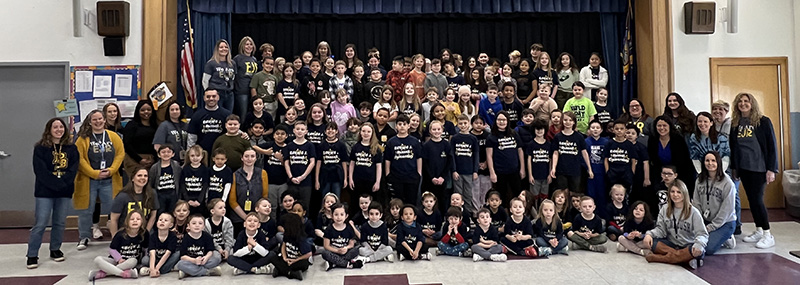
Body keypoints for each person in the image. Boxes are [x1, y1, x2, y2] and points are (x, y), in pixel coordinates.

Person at [27, 118, 79, 269]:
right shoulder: (40, 148)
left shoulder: (71, 148)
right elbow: (40, 171)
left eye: (61, 127)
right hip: (45, 191)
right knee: (41, 223)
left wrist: (62, 184)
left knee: (60, 222)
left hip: (65, 190)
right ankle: (32, 254)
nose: (58, 130)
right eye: (55, 127)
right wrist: (55, 184)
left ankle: (55, 249)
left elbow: (73, 169)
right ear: (49, 129)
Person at [729, 93, 778, 248]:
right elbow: (734, 148)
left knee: (757, 200)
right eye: (740, 102)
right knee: (751, 200)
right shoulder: (736, 123)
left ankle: (767, 234)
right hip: (744, 168)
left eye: (746, 101)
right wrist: (735, 168)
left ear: (752, 104)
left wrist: (771, 169)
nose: (743, 104)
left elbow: (772, 146)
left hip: (760, 169)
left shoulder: (763, 122)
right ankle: (758, 230)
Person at [74, 110, 125, 251]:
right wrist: (95, 173)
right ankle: (84, 237)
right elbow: (80, 160)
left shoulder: (113, 136)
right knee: (86, 210)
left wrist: (111, 170)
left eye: (100, 119)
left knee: (114, 208)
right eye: (94, 119)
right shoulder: (82, 139)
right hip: (89, 180)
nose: (98, 122)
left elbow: (120, 154)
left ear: (104, 120)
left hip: (109, 179)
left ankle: (118, 236)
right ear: (90, 122)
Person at [643, 180, 708, 269]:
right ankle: (684, 259)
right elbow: (661, 230)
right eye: (672, 191)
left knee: (698, 251)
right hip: (672, 244)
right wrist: (649, 234)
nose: (675, 195)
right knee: (653, 243)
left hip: (687, 245)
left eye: (678, 192)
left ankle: (660, 258)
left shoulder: (694, 212)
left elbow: (702, 233)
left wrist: (699, 244)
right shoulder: (664, 209)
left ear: (684, 193)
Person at [694, 151, 737, 255]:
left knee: (708, 249)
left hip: (725, 223)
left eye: (713, 161)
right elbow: (696, 203)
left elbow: (727, 210)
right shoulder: (699, 180)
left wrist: (712, 227)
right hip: (706, 221)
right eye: (707, 160)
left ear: (719, 163)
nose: (710, 163)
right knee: (688, 241)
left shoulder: (727, 183)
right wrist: (699, 223)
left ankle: (727, 237)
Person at [89, 211, 148, 281]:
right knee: (97, 259)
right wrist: (119, 259)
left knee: (133, 260)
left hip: (130, 262)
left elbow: (146, 248)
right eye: (132, 219)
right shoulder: (120, 234)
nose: (135, 221)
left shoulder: (144, 233)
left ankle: (106, 272)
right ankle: (123, 273)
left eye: (138, 219)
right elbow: (112, 249)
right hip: (116, 260)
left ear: (142, 222)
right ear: (127, 222)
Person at [648, 116, 695, 195]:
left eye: (664, 125)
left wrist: (672, 175)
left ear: (670, 126)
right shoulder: (652, 140)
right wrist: (663, 175)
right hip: (660, 175)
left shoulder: (678, 139)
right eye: (659, 126)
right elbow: (653, 160)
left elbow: (683, 161)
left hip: (679, 174)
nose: (662, 128)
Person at [229, 149, 270, 235]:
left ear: (256, 158)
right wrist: (246, 218)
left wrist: (254, 218)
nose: (249, 159)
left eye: (252, 156)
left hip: (258, 216)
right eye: (246, 156)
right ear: (242, 158)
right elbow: (232, 201)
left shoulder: (263, 173)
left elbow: (264, 196)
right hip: (239, 217)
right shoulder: (235, 175)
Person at [384, 114, 423, 205]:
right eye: (400, 124)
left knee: (411, 201)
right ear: (396, 126)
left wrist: (419, 173)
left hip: (412, 176)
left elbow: (419, 158)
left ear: (409, 126)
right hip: (396, 176)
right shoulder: (391, 142)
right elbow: (387, 159)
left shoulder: (414, 141)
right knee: (398, 201)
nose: (402, 126)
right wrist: (388, 174)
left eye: (404, 124)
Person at [550, 111, 593, 194]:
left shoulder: (579, 136)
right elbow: (555, 153)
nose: (568, 122)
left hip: (575, 170)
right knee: (562, 193)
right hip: (561, 169)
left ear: (574, 122)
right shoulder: (558, 136)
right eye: (565, 120)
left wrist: (589, 169)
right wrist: (553, 168)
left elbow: (584, 153)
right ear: (562, 121)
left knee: (574, 193)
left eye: (570, 120)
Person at [109, 167, 159, 235]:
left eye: (145, 176)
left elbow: (153, 216)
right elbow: (114, 219)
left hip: (145, 231)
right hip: (125, 232)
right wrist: (115, 237)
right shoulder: (122, 196)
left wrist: (146, 232)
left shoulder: (152, 193)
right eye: (139, 175)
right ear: (132, 178)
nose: (143, 178)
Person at [188, 89, 233, 159]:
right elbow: (192, 137)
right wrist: (190, 154)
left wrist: (243, 135)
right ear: (204, 98)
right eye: (208, 97)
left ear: (218, 97)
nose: (211, 99)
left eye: (214, 96)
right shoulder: (197, 115)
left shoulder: (227, 114)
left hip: (222, 155)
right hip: (202, 155)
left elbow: (234, 130)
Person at [348, 123, 384, 207]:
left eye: (368, 131)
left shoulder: (377, 149)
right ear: (360, 132)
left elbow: (379, 167)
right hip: (357, 180)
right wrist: (350, 179)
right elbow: (352, 164)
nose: (366, 133)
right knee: (356, 202)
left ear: (372, 133)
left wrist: (378, 182)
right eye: (363, 131)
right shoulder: (356, 147)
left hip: (371, 181)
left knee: (371, 203)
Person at [176, 214, 223, 278]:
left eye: (200, 223)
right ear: (188, 226)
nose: (197, 225)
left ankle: (189, 272)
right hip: (191, 261)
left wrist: (206, 258)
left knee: (217, 256)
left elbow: (210, 251)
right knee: (180, 264)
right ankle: (208, 272)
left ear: (204, 226)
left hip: (205, 260)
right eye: (194, 223)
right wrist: (194, 261)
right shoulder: (186, 238)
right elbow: (183, 256)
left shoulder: (207, 236)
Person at [283, 122, 317, 210]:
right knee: (291, 206)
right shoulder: (289, 146)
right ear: (294, 131)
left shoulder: (310, 145)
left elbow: (312, 162)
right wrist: (291, 177)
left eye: (302, 129)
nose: (300, 131)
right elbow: (286, 162)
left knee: (305, 206)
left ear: (306, 131)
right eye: (298, 129)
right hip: (292, 181)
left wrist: (303, 176)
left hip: (306, 182)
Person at [122, 100, 158, 180]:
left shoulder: (155, 126)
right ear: (138, 111)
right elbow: (127, 144)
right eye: (142, 110)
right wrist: (139, 159)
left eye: (149, 110)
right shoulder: (131, 125)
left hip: (151, 161)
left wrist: (153, 159)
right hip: (133, 159)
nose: (146, 112)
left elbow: (157, 144)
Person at [321, 203, 363, 270]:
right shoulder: (329, 229)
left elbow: (351, 244)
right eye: (336, 214)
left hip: (345, 252)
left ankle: (334, 263)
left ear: (346, 216)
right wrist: (337, 251)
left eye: (342, 214)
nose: (339, 217)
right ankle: (347, 264)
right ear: (332, 216)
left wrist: (346, 248)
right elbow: (326, 246)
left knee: (356, 249)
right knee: (324, 253)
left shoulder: (349, 228)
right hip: (334, 252)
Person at [270, 213, 312, 280]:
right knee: (273, 257)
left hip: (297, 260)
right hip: (287, 259)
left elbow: (309, 254)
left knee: (305, 264)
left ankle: (281, 271)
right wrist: (284, 257)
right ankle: (291, 273)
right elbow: (283, 245)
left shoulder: (302, 239)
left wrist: (295, 260)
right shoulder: (287, 234)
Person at [315, 122, 350, 197]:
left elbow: (344, 162)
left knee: (336, 197)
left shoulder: (341, 145)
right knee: (324, 198)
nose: (330, 131)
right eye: (328, 129)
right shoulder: (321, 145)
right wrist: (317, 180)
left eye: (333, 129)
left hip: (337, 175)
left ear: (337, 131)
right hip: (325, 176)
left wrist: (345, 179)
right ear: (325, 131)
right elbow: (318, 163)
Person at [140, 212, 179, 277]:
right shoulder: (153, 236)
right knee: (145, 260)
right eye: (160, 220)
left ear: (171, 225)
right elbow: (152, 253)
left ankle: (157, 270)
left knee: (177, 254)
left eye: (166, 220)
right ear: (157, 223)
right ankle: (154, 269)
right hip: (156, 259)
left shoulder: (172, 237)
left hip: (166, 259)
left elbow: (167, 254)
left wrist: (157, 268)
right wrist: (153, 269)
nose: (162, 222)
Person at [202, 39, 236, 112]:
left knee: (228, 115)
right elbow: (205, 81)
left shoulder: (232, 63)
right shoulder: (211, 63)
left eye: (226, 47)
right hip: (216, 93)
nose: (224, 49)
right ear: (217, 49)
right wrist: (210, 94)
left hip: (229, 94)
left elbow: (233, 78)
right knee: (217, 114)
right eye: (221, 47)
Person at [233, 36, 259, 118]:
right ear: (242, 46)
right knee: (242, 115)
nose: (249, 46)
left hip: (252, 91)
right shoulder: (237, 59)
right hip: (241, 91)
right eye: (246, 44)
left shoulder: (254, 59)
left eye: (251, 44)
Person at [180, 145, 209, 215]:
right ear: (189, 156)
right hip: (187, 200)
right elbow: (182, 184)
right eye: (192, 156)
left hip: (200, 201)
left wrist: (199, 200)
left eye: (197, 155)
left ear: (202, 156)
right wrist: (187, 200)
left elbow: (205, 185)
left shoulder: (205, 169)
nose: (195, 158)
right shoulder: (185, 169)